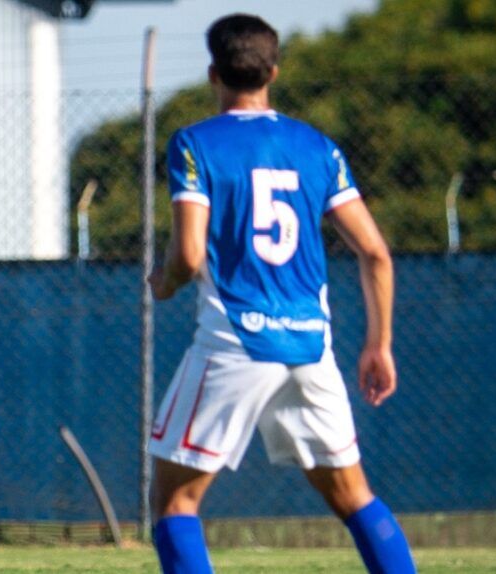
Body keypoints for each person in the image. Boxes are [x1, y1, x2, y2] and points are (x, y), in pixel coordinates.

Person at [146, 14, 415, 574]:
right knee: (353, 495)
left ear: (213, 73)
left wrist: (164, 281)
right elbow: (375, 253)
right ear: (274, 71)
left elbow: (189, 256)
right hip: (310, 347)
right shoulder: (317, 147)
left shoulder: (194, 143)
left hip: (235, 342)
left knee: (175, 500)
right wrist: (379, 344)